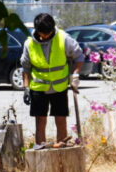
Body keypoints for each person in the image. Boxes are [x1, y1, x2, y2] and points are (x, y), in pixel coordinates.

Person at [20, 13, 85, 148]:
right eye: (43, 34)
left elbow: (79, 57)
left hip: (59, 87)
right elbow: (26, 68)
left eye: (48, 33)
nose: (46, 36)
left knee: (60, 119)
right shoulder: (29, 44)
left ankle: (61, 147)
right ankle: (41, 148)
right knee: (40, 120)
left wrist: (76, 75)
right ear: (37, 30)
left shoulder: (64, 38)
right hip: (38, 88)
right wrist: (26, 88)